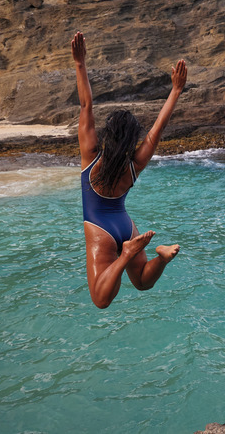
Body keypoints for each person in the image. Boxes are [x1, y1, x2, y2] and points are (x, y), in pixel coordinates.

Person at [72, 31, 187, 309]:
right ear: (130, 141)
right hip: (126, 225)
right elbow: (156, 132)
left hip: (100, 229)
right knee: (143, 282)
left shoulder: (90, 155)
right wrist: (175, 90)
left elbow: (86, 104)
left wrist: (80, 63)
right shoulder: (133, 166)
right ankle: (161, 257)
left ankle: (125, 256)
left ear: (108, 134)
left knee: (101, 299)